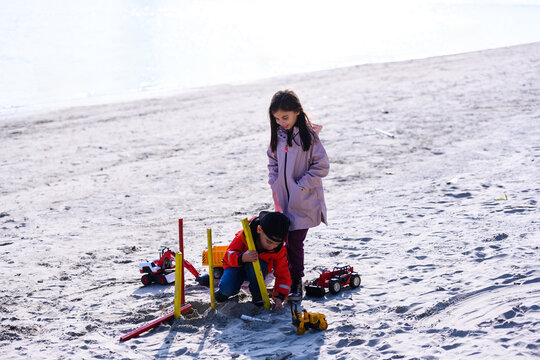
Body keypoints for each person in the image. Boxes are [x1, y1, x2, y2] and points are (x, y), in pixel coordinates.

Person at [267, 89, 329, 301]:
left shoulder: (308, 137)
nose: (281, 122)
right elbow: (272, 161)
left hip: (303, 201)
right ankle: (284, 280)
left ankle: (296, 282)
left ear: (297, 112)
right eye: (277, 119)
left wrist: (301, 185)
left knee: (295, 242)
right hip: (283, 201)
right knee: (282, 241)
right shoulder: (278, 137)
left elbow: (322, 165)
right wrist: (274, 181)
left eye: (285, 117)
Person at [214, 211, 292, 310]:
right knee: (228, 289)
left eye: (276, 244)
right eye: (269, 241)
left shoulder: (279, 249)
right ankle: (223, 293)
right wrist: (242, 257)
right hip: (236, 268)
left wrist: (279, 297)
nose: (271, 246)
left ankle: (257, 294)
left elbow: (283, 274)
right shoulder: (244, 235)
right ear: (259, 229)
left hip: (258, 273)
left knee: (257, 263)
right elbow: (227, 256)